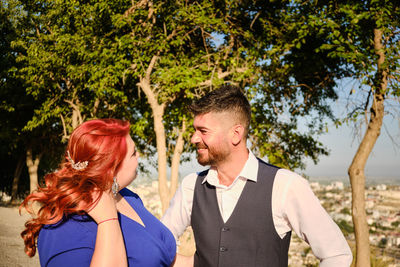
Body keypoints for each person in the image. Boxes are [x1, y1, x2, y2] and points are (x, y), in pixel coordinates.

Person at [161, 85, 353, 267]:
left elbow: (336, 254)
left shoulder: (284, 185)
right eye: (195, 130)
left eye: (203, 131)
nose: (194, 138)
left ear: (236, 134)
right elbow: (160, 247)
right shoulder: (191, 186)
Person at [20, 118, 180, 267]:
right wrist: (108, 221)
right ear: (110, 168)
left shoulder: (129, 198)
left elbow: (166, 258)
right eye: (133, 153)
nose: (139, 156)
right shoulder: (64, 226)